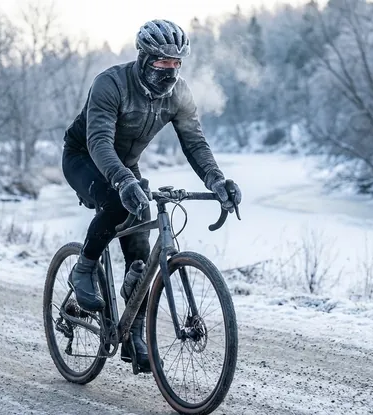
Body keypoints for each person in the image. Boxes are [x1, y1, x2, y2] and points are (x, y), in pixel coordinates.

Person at [60, 19, 242, 372]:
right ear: (143, 58)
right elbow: (98, 141)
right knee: (115, 203)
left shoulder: (178, 94)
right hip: (84, 157)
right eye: (161, 62)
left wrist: (217, 181)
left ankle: (134, 335)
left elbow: (195, 142)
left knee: (140, 251)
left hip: (125, 164)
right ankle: (83, 269)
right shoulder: (110, 84)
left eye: (176, 63)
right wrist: (123, 181)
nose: (170, 70)